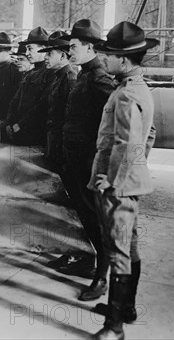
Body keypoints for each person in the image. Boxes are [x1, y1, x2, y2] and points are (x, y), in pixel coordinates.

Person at [88, 21, 157, 340]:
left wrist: (111, 182)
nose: (104, 58)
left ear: (125, 61)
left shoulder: (128, 94)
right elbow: (146, 140)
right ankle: (125, 308)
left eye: (110, 54)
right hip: (131, 181)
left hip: (120, 184)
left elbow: (127, 144)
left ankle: (114, 327)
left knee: (118, 250)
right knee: (128, 244)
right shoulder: (136, 86)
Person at [58, 19, 116, 301]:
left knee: (98, 221)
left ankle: (102, 277)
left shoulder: (99, 79)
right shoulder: (83, 75)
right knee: (86, 218)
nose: (70, 51)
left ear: (90, 47)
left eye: (73, 46)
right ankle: (91, 263)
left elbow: (117, 120)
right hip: (76, 159)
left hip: (89, 162)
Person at [2, 27, 55, 146]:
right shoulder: (29, 74)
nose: (27, 53)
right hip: (18, 131)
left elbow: (41, 106)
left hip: (34, 134)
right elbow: (15, 100)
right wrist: (9, 122)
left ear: (43, 49)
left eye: (30, 49)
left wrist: (20, 125)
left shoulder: (49, 74)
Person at [38, 30, 77, 172]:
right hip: (52, 141)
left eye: (49, 54)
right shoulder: (57, 78)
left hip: (61, 145)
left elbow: (70, 118)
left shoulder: (70, 79)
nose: (45, 58)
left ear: (62, 55)